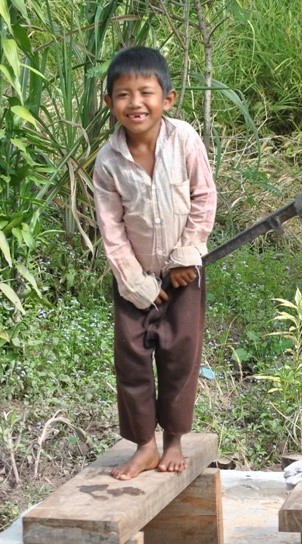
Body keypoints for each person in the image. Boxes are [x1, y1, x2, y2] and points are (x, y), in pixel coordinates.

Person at [93, 46, 217, 480]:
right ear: (109, 103)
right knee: (131, 360)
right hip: (134, 279)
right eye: (123, 94)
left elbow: (204, 198)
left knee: (180, 356)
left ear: (168, 98)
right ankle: (144, 446)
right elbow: (111, 228)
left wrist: (186, 256)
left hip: (184, 277)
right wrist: (136, 283)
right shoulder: (108, 161)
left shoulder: (184, 140)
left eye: (146, 92)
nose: (135, 103)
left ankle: (174, 441)